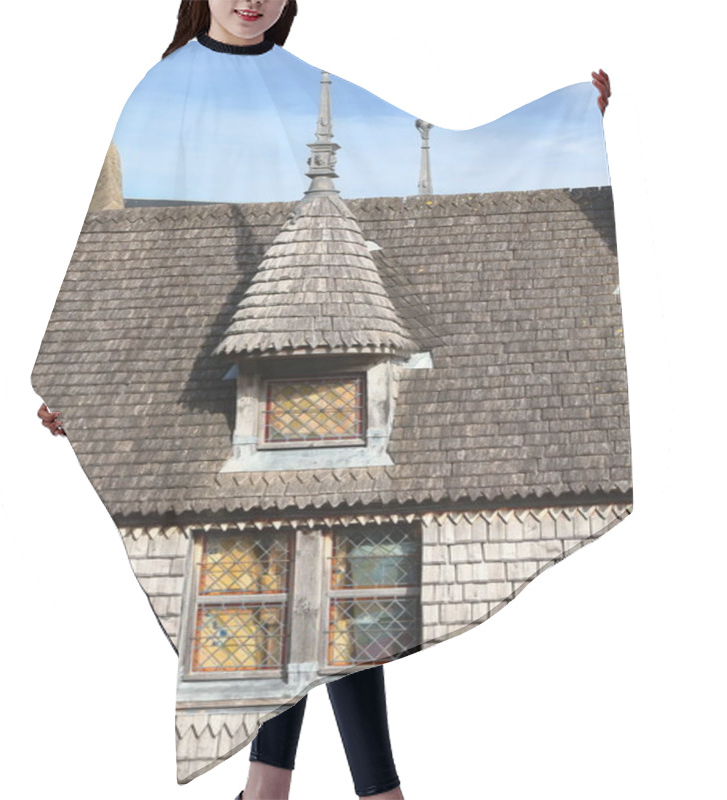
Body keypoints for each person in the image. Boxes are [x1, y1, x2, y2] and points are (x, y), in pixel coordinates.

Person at [37, 3, 612, 798]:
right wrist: (75, 370)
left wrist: (570, 119)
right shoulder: (163, 87)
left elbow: (444, 142)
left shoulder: (308, 82)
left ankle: (279, 790)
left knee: (329, 591)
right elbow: (116, 247)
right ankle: (352, 791)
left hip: (312, 345)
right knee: (299, 584)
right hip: (207, 372)